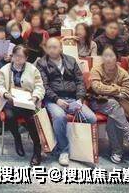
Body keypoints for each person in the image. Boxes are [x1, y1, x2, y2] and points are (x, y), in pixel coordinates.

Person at [37, 38, 96, 166]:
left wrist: (80, 99)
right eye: (49, 47)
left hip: (73, 98)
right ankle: (64, 150)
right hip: (53, 100)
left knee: (91, 118)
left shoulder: (71, 60)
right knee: (59, 116)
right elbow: (44, 86)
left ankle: (80, 149)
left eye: (55, 47)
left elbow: (80, 82)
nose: (52, 50)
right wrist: (57, 100)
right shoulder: (41, 63)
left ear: (61, 48)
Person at [88, 46, 129, 163]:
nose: (108, 59)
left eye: (111, 56)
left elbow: (128, 92)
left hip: (117, 105)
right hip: (98, 102)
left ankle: (117, 152)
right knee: (114, 105)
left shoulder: (123, 73)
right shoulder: (96, 70)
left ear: (116, 58)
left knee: (113, 115)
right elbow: (97, 88)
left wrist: (109, 90)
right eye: (105, 56)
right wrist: (117, 89)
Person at [0, 45, 44, 166]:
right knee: (9, 116)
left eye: (21, 56)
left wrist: (35, 97)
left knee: (31, 119)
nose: (18, 58)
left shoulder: (33, 70)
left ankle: (37, 149)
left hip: (28, 101)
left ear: (26, 58)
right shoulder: (5, 69)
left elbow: (39, 87)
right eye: (16, 56)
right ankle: (17, 138)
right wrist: (6, 94)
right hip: (10, 101)